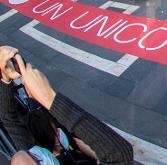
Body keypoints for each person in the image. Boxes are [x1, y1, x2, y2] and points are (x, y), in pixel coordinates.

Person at [0, 46, 135, 164]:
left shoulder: (32, 150)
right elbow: (120, 156)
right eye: (38, 159)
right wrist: (50, 98)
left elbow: (10, 120)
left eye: (33, 154)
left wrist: (5, 79)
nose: (33, 153)